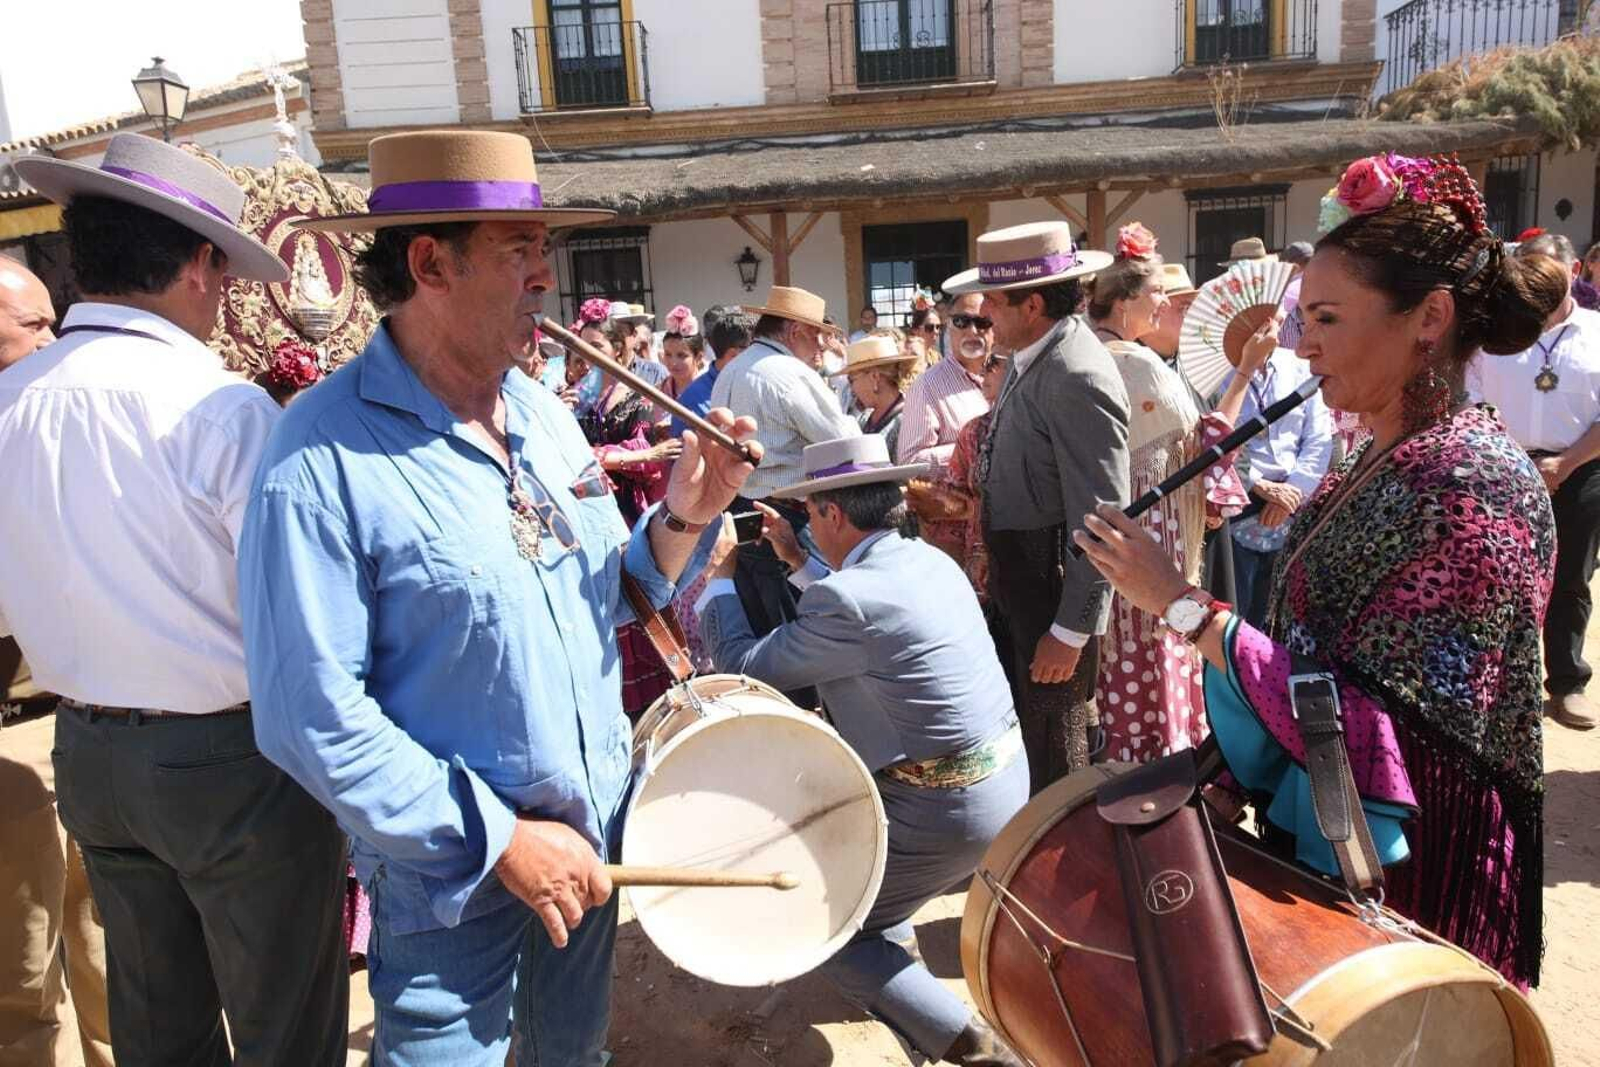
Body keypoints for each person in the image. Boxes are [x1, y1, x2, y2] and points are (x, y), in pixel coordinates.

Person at [237, 130, 757, 1066]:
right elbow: (307, 714)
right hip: (453, 888)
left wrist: (687, 509)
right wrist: (502, 837)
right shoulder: (318, 459)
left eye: (543, 253)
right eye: (519, 252)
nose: (543, 282)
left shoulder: (547, 416)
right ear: (431, 262)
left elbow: (612, 593)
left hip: (588, 853)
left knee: (571, 1056)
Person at [1076, 152, 1564, 990]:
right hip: (1337, 850)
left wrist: (1182, 604)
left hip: (1417, 876)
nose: (1300, 350)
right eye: (1302, 321)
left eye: (1327, 320)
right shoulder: (1365, 457)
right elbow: (1310, 650)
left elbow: (1381, 732)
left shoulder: (1472, 489)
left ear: (1430, 318)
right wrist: (1228, 776)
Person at [1, 133, 348, 1064]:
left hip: (90, 754)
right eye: (226, 271)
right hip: (229, 762)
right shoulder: (219, 408)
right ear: (199, 265)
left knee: (158, 1031)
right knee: (287, 1031)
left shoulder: (12, 401)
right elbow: (301, 613)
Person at [697, 435, 1028, 1067]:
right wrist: (799, 560)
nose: (807, 522)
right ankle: (906, 983)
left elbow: (742, 665)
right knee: (871, 890)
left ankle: (973, 1047)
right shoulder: (927, 561)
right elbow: (867, 611)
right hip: (1003, 787)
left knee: (829, 929)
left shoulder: (845, 597)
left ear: (834, 516)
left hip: (942, 813)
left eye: (811, 510)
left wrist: (720, 580)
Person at [944, 220, 1131, 788]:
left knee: (1058, 755)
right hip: (1023, 586)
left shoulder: (1076, 372)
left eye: (993, 306)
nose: (984, 319)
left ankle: (1065, 871)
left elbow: (1102, 520)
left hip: (1049, 594)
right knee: (1032, 746)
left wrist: (1071, 631)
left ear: (1030, 305)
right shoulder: (1039, 355)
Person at [1084, 228, 1260, 764]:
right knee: (1151, 652)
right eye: (1158, 291)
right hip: (1149, 541)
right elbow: (1204, 452)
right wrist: (1246, 372)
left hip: (1137, 537)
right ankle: (1156, 771)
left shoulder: (1109, 356)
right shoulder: (1130, 364)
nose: (1164, 302)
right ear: (1126, 299)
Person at [0, 261, 113, 1067]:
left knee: (112, 960)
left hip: (86, 721)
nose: (54, 337)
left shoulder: (65, 422)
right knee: (22, 977)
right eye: (33, 324)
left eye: (53, 318)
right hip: (11, 746)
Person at [1469, 238, 1600, 731]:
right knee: (1497, 576)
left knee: (1570, 578)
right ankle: (1498, 686)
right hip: (1502, 469)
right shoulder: (1494, 334)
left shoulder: (1597, 331)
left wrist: (1565, 463)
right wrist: (1511, 460)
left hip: (1581, 468)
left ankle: (1568, 683)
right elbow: (1471, 395)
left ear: (1574, 270)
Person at [711, 285, 858, 653]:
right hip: (788, 517)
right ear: (795, 331)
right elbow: (843, 442)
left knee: (764, 628)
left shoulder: (731, 370)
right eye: (817, 336)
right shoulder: (790, 373)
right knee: (809, 631)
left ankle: (783, 704)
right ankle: (810, 708)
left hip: (739, 511)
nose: (822, 346)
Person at [1225, 314, 1334, 626]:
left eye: (1275, 315)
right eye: (1262, 315)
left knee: (1282, 611)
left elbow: (1318, 437)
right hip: (1239, 500)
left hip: (1292, 503)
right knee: (1239, 612)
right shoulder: (1221, 373)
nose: (1269, 323)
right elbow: (1215, 436)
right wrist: (1259, 485)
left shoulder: (1300, 365)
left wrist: (1293, 492)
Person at [669, 307, 752, 437]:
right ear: (734, 355)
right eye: (753, 354)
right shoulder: (690, 401)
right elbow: (682, 453)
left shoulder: (757, 387)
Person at [837, 334, 917, 458]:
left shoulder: (908, 421)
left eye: (852, 380)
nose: (852, 390)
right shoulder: (865, 418)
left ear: (874, 377)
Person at [659, 304, 706, 405]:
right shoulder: (658, 391)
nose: (673, 362)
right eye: (668, 354)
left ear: (698, 357)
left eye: (681, 356)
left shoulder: (711, 390)